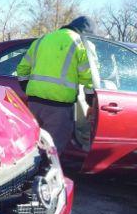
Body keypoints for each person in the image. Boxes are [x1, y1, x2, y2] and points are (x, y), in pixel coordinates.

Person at [16, 16, 96, 155]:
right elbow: (89, 77)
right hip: (59, 107)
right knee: (52, 150)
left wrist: (26, 86)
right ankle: (43, 174)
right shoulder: (81, 43)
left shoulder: (42, 39)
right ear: (86, 33)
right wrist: (91, 99)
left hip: (34, 102)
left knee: (31, 143)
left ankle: (26, 171)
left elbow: (22, 68)